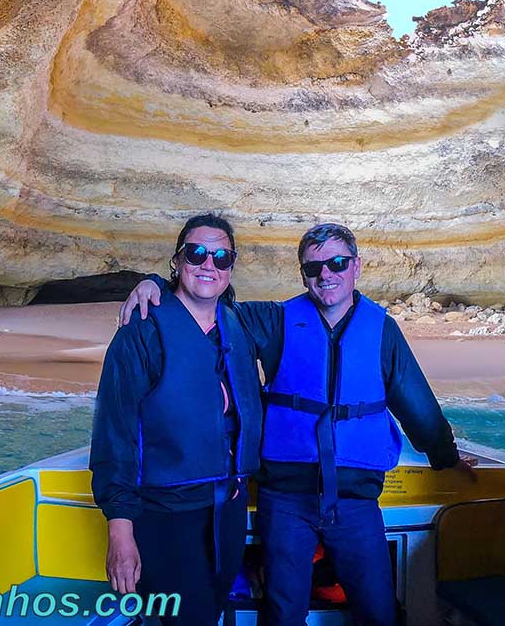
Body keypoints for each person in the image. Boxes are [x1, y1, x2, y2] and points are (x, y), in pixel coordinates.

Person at [120, 222, 476, 626]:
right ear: (303, 274)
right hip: (286, 501)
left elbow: (417, 403)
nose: (326, 274)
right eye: (314, 268)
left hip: (355, 502)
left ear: (356, 266)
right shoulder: (274, 321)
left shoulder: (381, 330)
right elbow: (205, 299)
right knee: (283, 613)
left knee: (379, 612)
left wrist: (445, 456)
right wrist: (154, 285)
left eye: (337, 263)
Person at [89, 213, 263, 625]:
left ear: (231, 268)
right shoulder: (143, 329)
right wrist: (120, 529)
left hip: (227, 513)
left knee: (211, 611)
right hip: (167, 515)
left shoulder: (240, 325)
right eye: (196, 252)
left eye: (222, 257)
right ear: (177, 260)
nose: (209, 264)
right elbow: (115, 431)